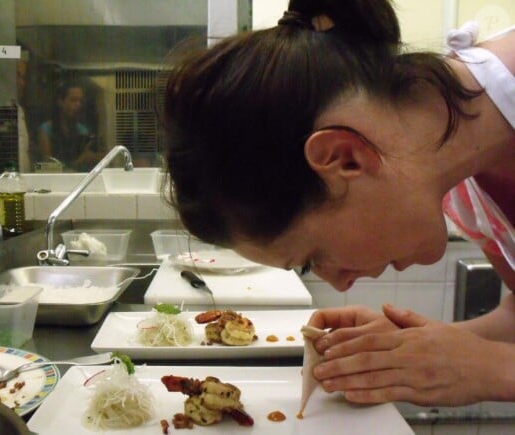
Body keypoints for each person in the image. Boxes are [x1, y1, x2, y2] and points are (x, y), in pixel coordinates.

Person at [161, 0, 514, 407]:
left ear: (344, 158)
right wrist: (419, 350)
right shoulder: (460, 174)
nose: (341, 282)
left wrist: (495, 369)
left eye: (312, 259)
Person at [37, 81, 101, 171]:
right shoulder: (46, 130)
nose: (78, 105)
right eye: (73, 100)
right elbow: (47, 168)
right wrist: (80, 161)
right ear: (60, 101)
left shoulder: (82, 130)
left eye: (80, 101)